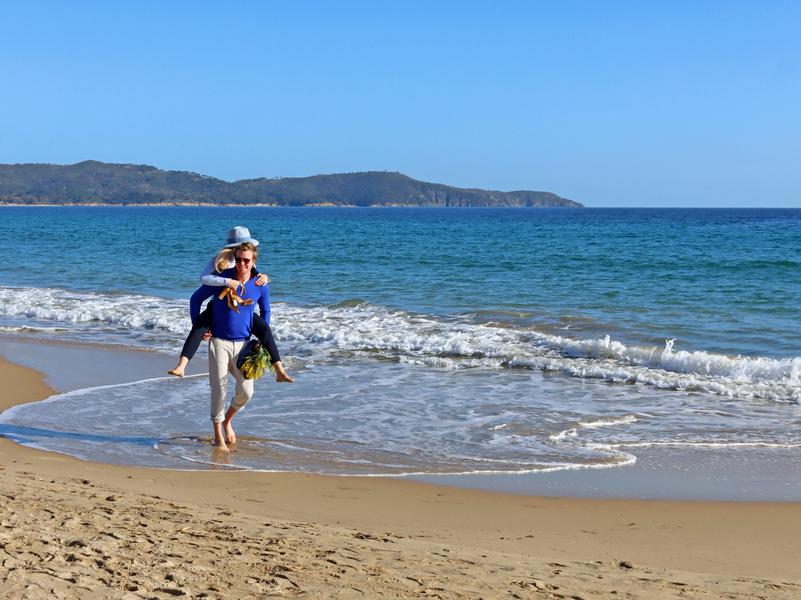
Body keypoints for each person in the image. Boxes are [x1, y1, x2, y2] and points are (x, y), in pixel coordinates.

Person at [168, 225, 294, 383]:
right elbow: (204, 279)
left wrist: (266, 278)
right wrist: (227, 281)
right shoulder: (219, 261)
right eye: (239, 253)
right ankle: (182, 366)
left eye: (247, 253)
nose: (241, 263)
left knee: (264, 329)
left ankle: (280, 371)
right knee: (199, 325)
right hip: (219, 306)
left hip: (244, 309)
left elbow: (255, 275)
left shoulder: (248, 260)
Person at [190, 241, 268, 450]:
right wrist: (199, 326)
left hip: (244, 345)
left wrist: (262, 337)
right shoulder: (221, 280)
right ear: (234, 258)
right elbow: (195, 299)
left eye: (247, 260)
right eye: (239, 259)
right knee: (219, 389)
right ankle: (218, 436)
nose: (242, 264)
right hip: (219, 343)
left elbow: (265, 311)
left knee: (246, 391)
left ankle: (227, 421)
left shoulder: (260, 284)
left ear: (253, 262)